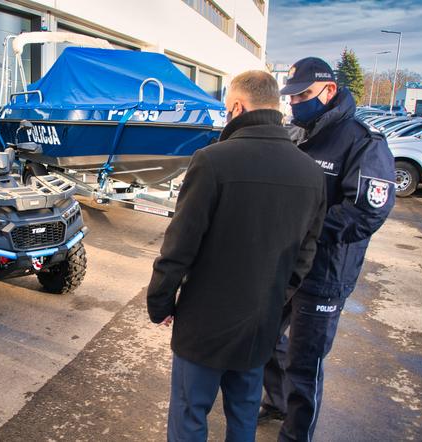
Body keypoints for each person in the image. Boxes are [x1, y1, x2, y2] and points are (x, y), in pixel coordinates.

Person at [146, 70, 327, 442]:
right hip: (259, 325)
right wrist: (276, 299)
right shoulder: (310, 172)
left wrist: (160, 302)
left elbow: (179, 246)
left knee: (189, 417)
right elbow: (305, 254)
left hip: (202, 325)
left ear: (236, 107)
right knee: (243, 419)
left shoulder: (212, 161)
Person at [259, 57, 396, 441]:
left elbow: (367, 212)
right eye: (291, 96)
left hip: (325, 275)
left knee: (305, 365)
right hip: (287, 265)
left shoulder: (362, 142)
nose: (295, 103)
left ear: (329, 90)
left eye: (303, 94)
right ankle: (278, 403)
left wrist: (304, 230)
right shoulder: (298, 134)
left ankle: (295, 434)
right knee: (265, 338)